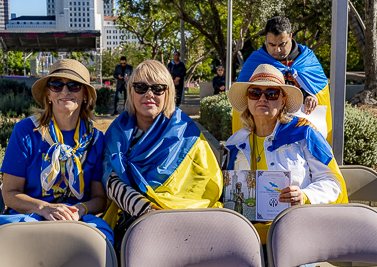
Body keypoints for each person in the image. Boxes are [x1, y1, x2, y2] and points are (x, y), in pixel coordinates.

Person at [0, 59, 113, 244]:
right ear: (48, 94)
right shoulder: (26, 131)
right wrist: (44, 208)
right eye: (56, 85)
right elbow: (10, 193)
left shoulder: (96, 139)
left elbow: (100, 198)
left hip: (77, 219)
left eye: (74, 86)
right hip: (30, 217)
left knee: (102, 241)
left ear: (85, 94)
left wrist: (80, 210)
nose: (65, 91)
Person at [223, 64, 348, 251]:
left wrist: (305, 196)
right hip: (246, 239)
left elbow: (333, 181)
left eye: (272, 93)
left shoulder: (305, 133)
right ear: (248, 100)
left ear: (283, 101)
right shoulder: (234, 144)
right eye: (255, 93)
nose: (262, 98)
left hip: (297, 236)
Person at [102, 59, 222, 250]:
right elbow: (112, 182)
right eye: (141, 87)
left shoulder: (187, 131)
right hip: (136, 224)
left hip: (188, 223)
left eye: (158, 88)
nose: (149, 94)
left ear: (168, 94)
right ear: (131, 92)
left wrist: (169, 217)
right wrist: (149, 212)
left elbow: (204, 184)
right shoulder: (117, 133)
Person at [235, 16, 333, 144]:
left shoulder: (307, 59)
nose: (277, 50)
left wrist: (311, 95)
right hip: (265, 129)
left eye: (282, 44)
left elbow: (320, 91)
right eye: (272, 44)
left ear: (290, 36)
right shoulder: (255, 62)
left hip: (301, 130)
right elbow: (245, 96)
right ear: (265, 40)